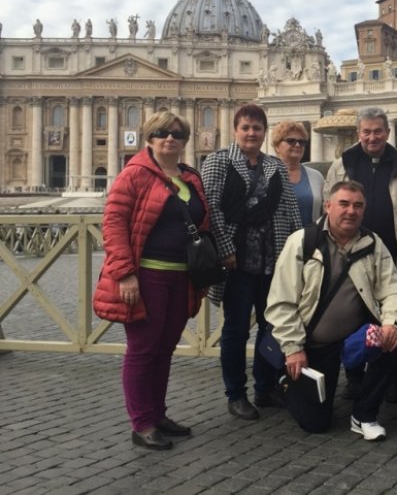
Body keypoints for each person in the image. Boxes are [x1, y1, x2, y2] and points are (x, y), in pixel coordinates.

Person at [93, 111, 208, 450]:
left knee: (165, 349)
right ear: (148, 138)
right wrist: (125, 274)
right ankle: (141, 423)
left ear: (185, 139)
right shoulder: (134, 175)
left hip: (182, 276)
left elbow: (202, 222)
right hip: (147, 276)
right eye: (160, 133)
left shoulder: (190, 177)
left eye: (176, 133)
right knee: (143, 350)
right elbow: (113, 225)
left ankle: (158, 414)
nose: (169, 138)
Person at [265, 181, 397, 439]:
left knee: (393, 342)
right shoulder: (302, 241)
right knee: (316, 423)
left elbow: (392, 290)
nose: (351, 211)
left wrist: (391, 323)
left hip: (353, 337)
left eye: (357, 206)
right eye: (343, 204)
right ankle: (286, 382)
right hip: (312, 343)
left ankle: (363, 414)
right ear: (328, 205)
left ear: (364, 211)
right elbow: (281, 302)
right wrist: (294, 348)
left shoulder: (373, 244)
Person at [201, 104, 301, 421]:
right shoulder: (218, 161)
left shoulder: (275, 166)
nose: (251, 133)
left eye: (257, 128)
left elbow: (289, 208)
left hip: (273, 259)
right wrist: (226, 248)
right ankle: (236, 393)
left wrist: (300, 249)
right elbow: (211, 208)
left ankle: (265, 386)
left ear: (264, 132)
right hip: (236, 261)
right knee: (236, 329)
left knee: (272, 327)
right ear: (235, 130)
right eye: (246, 127)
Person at [325, 106, 397, 399]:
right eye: (366, 131)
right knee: (353, 315)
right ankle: (355, 375)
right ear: (358, 133)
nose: (372, 137)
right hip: (349, 254)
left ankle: (390, 374)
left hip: (392, 254)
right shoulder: (340, 166)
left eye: (378, 131)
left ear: (387, 132)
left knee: (395, 315)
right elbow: (327, 209)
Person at [272, 120, 325, 226]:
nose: (297, 145)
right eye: (291, 141)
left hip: (311, 239)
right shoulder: (267, 175)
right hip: (277, 240)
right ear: (277, 146)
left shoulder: (316, 176)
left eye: (302, 142)